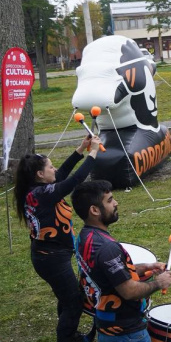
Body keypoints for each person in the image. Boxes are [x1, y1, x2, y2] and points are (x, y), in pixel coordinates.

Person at [13, 136, 101, 342]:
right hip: (50, 258)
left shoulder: (38, 189)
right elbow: (74, 180)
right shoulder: (43, 193)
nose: (54, 169)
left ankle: (68, 331)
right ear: (39, 174)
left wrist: (80, 149)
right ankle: (68, 338)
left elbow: (60, 175)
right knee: (73, 301)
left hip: (50, 255)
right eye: (50, 167)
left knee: (67, 295)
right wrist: (93, 153)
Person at [73, 181, 171, 342]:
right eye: (110, 200)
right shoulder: (107, 248)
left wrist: (147, 266)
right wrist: (158, 283)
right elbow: (129, 291)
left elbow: (109, 274)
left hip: (107, 326)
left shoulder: (84, 237)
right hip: (127, 333)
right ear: (94, 210)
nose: (116, 203)